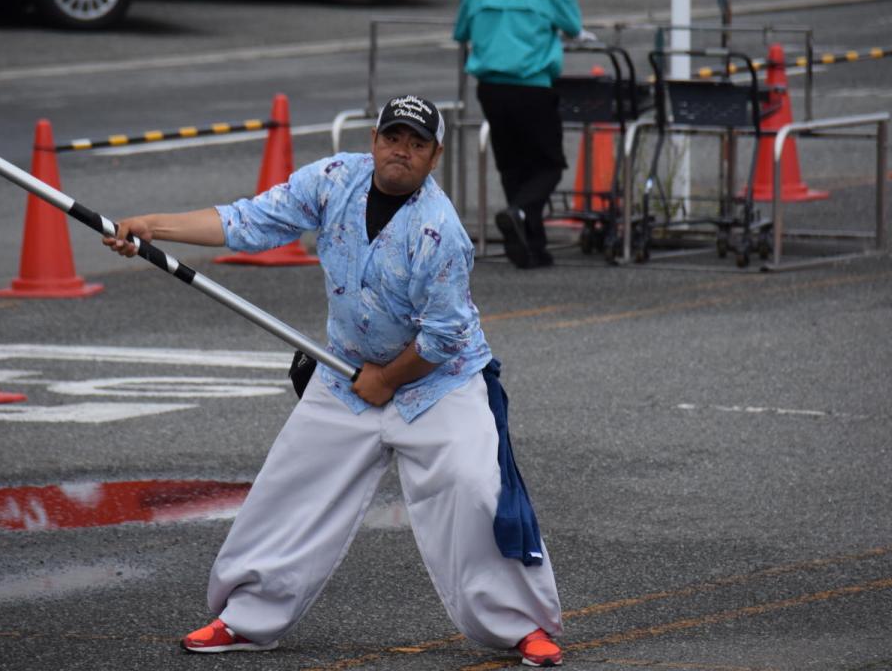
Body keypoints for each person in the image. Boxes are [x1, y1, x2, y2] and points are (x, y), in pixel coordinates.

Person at [102, 94, 565, 667]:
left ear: (435, 156)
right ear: (374, 141)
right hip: (346, 371)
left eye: (417, 144)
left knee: (474, 490)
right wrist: (155, 227)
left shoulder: (441, 232)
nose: (403, 151)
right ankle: (245, 618)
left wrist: (388, 380)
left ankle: (524, 629)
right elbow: (249, 219)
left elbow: (444, 337)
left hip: (436, 382)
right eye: (393, 138)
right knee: (290, 486)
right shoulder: (332, 180)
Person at [454, 0, 594, 270]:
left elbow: (461, 32)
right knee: (548, 163)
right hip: (532, 85)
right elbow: (573, 25)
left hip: (490, 87)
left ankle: (533, 244)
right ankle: (519, 214)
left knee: (512, 165)